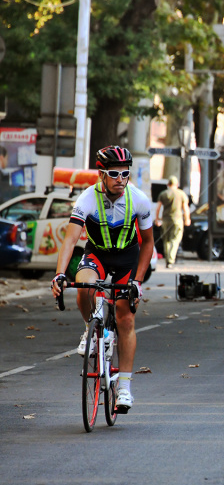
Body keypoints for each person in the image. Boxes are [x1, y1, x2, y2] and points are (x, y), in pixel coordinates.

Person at [51, 146, 154, 413]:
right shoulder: (86, 199)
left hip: (127, 259)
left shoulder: (139, 200)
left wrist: (138, 281)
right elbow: (71, 239)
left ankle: (125, 388)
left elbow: (148, 243)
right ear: (101, 174)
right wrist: (60, 274)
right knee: (84, 288)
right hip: (96, 254)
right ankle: (91, 329)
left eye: (125, 173)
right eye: (114, 173)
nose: (121, 178)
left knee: (125, 316)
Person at [154, 175, 191, 269]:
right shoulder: (181, 194)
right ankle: (171, 260)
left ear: (168, 184)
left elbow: (158, 208)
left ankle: (168, 260)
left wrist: (157, 219)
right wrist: (187, 219)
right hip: (177, 220)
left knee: (166, 241)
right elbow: (185, 208)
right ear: (177, 184)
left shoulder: (163, 193)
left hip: (166, 220)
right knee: (175, 240)